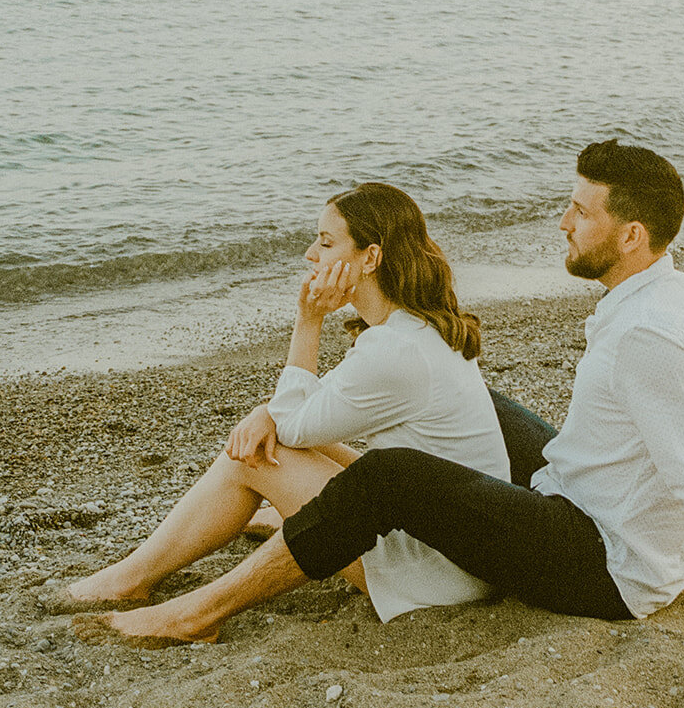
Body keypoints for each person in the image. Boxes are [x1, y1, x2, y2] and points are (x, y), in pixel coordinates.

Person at [76, 142, 684, 694]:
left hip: (602, 567)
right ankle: (262, 529)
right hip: (593, 508)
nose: (561, 223)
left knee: (392, 475)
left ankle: (196, 612)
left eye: (579, 213)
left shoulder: (648, 336)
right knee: (494, 411)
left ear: (629, 235)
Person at [60, 182, 510, 627]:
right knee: (273, 433)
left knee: (252, 456)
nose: (311, 254)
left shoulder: (394, 351)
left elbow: (293, 423)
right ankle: (257, 519)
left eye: (326, 241)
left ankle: (130, 578)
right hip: (461, 551)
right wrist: (267, 412)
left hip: (437, 577)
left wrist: (308, 318)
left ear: (370, 258)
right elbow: (312, 410)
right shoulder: (414, 330)